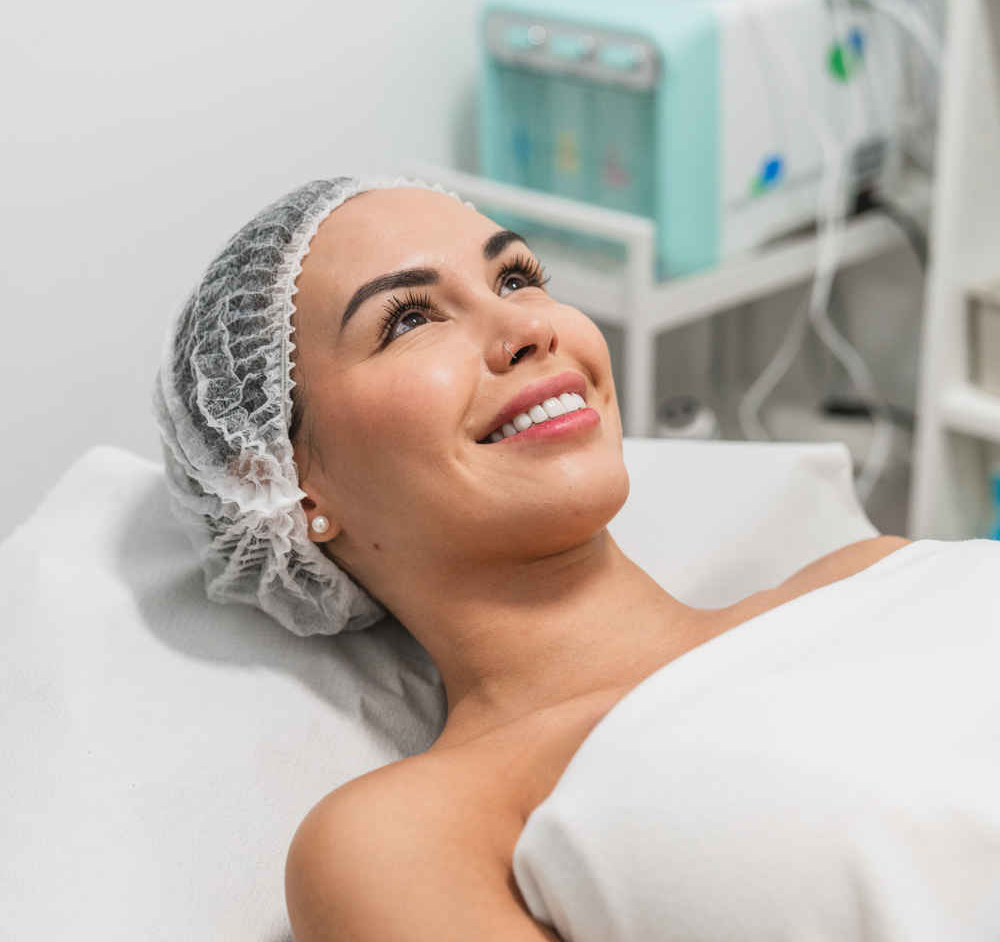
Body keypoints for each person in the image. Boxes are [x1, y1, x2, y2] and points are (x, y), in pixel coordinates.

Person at [154, 177, 911, 941]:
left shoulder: (874, 574)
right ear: (283, 483)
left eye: (516, 278)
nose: (526, 328)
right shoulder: (407, 840)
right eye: (409, 319)